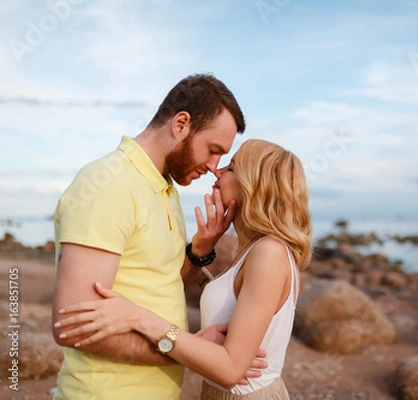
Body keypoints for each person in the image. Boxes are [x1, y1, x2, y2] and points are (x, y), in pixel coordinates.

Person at [51, 74, 266, 400]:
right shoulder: (109, 185)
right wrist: (186, 348)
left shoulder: (165, 189)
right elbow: (72, 326)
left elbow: (160, 282)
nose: (214, 167)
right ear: (181, 124)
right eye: (212, 150)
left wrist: (199, 251)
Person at [54, 139, 313, 399]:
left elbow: (230, 370)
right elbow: (227, 300)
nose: (218, 171)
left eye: (231, 167)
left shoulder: (269, 253)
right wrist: (200, 250)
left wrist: (139, 317)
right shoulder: (254, 250)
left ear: (255, 185)